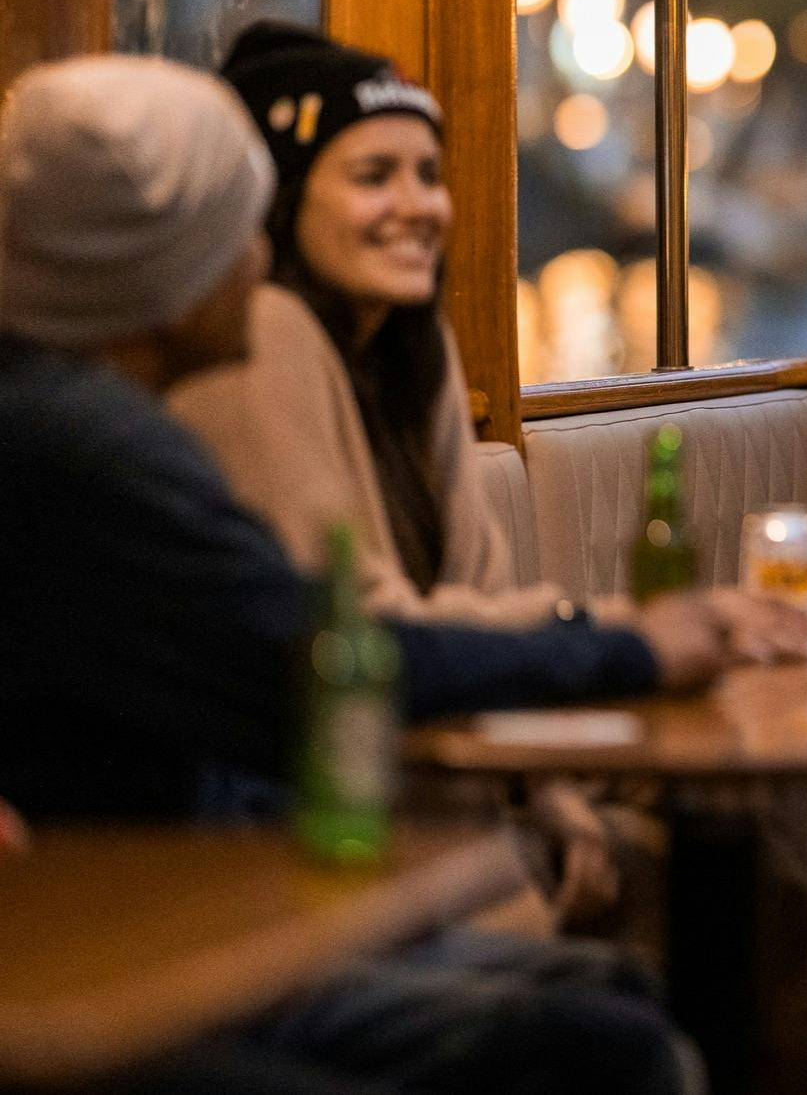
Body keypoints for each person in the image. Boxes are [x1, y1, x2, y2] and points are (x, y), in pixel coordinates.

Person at [163, 22, 807, 1095]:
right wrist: (611, 660)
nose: (416, 203)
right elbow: (362, 636)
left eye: (427, 173)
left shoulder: (413, 353)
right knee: (753, 858)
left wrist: (549, 784)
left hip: (476, 766)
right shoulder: (264, 338)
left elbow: (484, 595)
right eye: (372, 175)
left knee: (785, 802)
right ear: (279, 194)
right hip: (358, 817)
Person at [0, 54, 728, 1095]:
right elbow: (329, 669)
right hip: (108, 949)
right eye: (239, 231)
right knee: (611, 1042)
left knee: (610, 999)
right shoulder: (92, 445)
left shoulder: (74, 414)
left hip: (162, 901)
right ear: (169, 274)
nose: (258, 260)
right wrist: (635, 644)